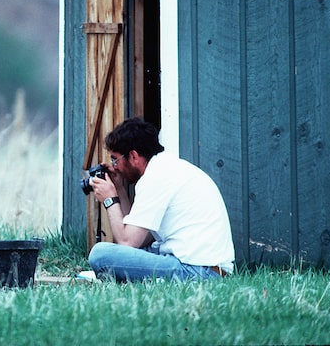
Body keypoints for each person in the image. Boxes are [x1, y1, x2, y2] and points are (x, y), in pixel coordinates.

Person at [88, 117, 234, 282]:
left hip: (198, 272)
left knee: (100, 255)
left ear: (134, 156)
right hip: (206, 268)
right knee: (133, 251)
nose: (114, 166)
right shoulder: (164, 168)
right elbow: (137, 235)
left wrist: (109, 199)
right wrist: (120, 189)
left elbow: (126, 242)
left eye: (115, 159)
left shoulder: (156, 177)